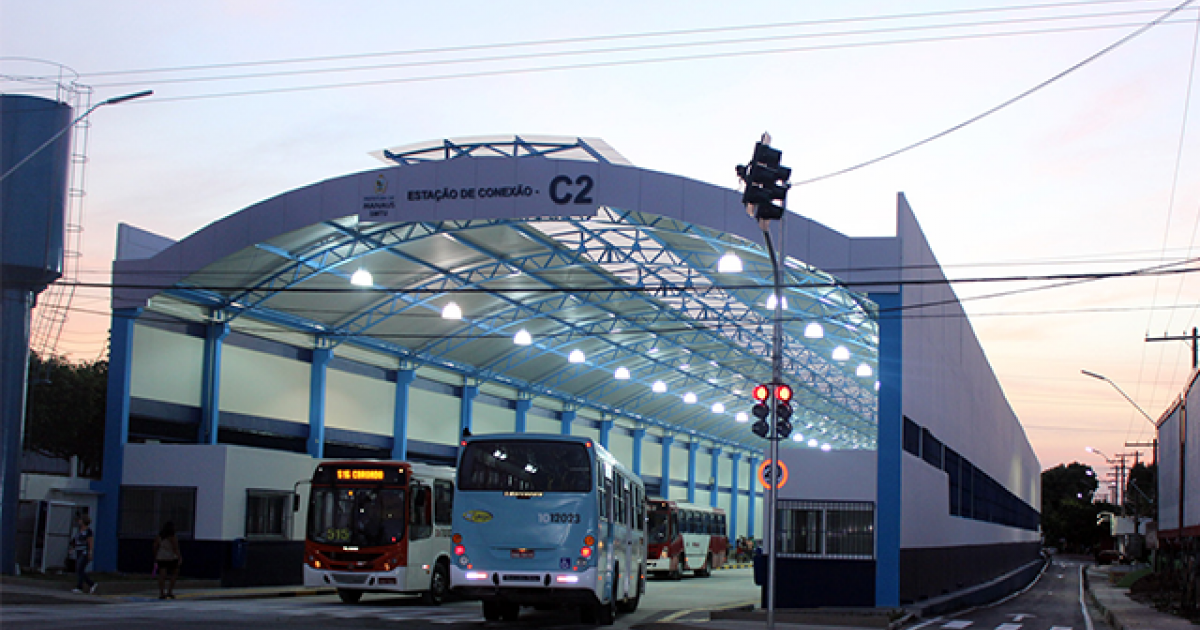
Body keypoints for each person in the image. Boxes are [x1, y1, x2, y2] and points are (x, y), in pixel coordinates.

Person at [153, 521, 183, 599]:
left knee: (162, 575)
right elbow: (175, 548)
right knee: (174, 573)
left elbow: (155, 547)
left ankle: (162, 593)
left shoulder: (159, 537)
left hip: (161, 557)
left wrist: (156, 556)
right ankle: (169, 591)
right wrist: (179, 557)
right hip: (171, 557)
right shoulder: (173, 537)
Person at [71, 515, 97, 594]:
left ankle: (80, 587)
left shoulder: (88, 531)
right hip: (78, 551)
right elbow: (75, 540)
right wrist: (72, 548)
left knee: (80, 568)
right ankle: (91, 584)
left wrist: (90, 552)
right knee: (79, 570)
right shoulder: (79, 531)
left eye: (80, 520)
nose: (79, 521)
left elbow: (90, 542)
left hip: (84, 552)